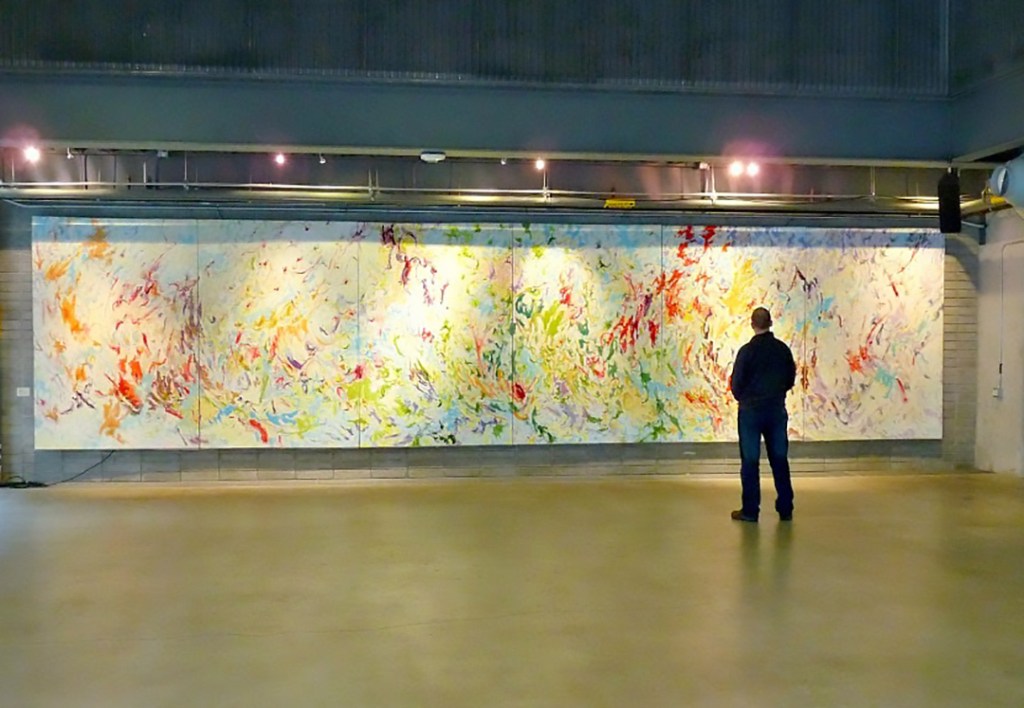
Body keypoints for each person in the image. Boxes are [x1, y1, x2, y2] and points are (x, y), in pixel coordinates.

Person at [728, 306, 796, 523]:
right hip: (775, 410)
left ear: (752, 325)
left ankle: (750, 510)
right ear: (771, 323)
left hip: (750, 412)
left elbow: (736, 384)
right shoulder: (782, 350)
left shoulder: (746, 352)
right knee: (779, 459)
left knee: (750, 461)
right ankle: (785, 507)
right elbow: (790, 378)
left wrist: (746, 398)